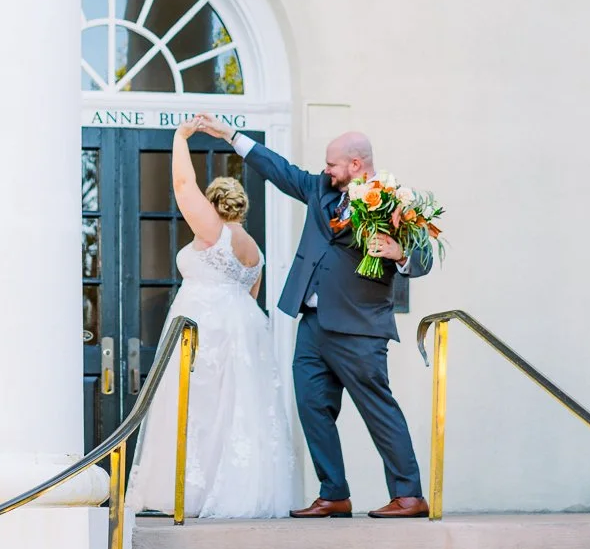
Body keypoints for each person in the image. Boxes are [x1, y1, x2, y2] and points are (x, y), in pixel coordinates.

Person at [194, 117, 432, 518]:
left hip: (360, 328)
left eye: (332, 165)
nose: (326, 171)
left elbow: (423, 257)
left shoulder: (395, 201)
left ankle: (409, 495)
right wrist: (231, 137)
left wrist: (399, 253)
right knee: (310, 405)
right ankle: (334, 493)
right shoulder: (320, 189)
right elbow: (280, 171)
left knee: (378, 409)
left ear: (356, 164)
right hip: (313, 323)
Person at [125, 119, 294, 520]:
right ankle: (234, 489)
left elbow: (183, 188)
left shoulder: (212, 232)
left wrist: (180, 138)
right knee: (232, 410)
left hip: (207, 329)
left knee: (197, 408)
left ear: (213, 205)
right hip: (241, 330)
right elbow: (251, 297)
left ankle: (189, 494)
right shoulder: (255, 251)